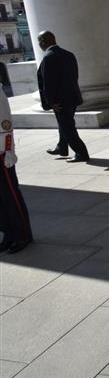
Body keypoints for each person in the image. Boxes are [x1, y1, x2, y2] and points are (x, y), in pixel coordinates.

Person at [36, 31, 90, 163]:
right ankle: (61, 147)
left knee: (67, 128)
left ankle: (81, 153)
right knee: (64, 124)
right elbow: (74, 76)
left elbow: (48, 83)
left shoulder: (48, 57)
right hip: (72, 97)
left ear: (43, 41)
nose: (39, 45)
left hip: (60, 101)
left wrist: (50, 102)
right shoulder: (68, 54)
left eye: (39, 42)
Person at [0, 88, 33, 254]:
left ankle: (22, 234)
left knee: (10, 195)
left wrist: (8, 151)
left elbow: (5, 122)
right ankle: (9, 233)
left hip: (1, 153)